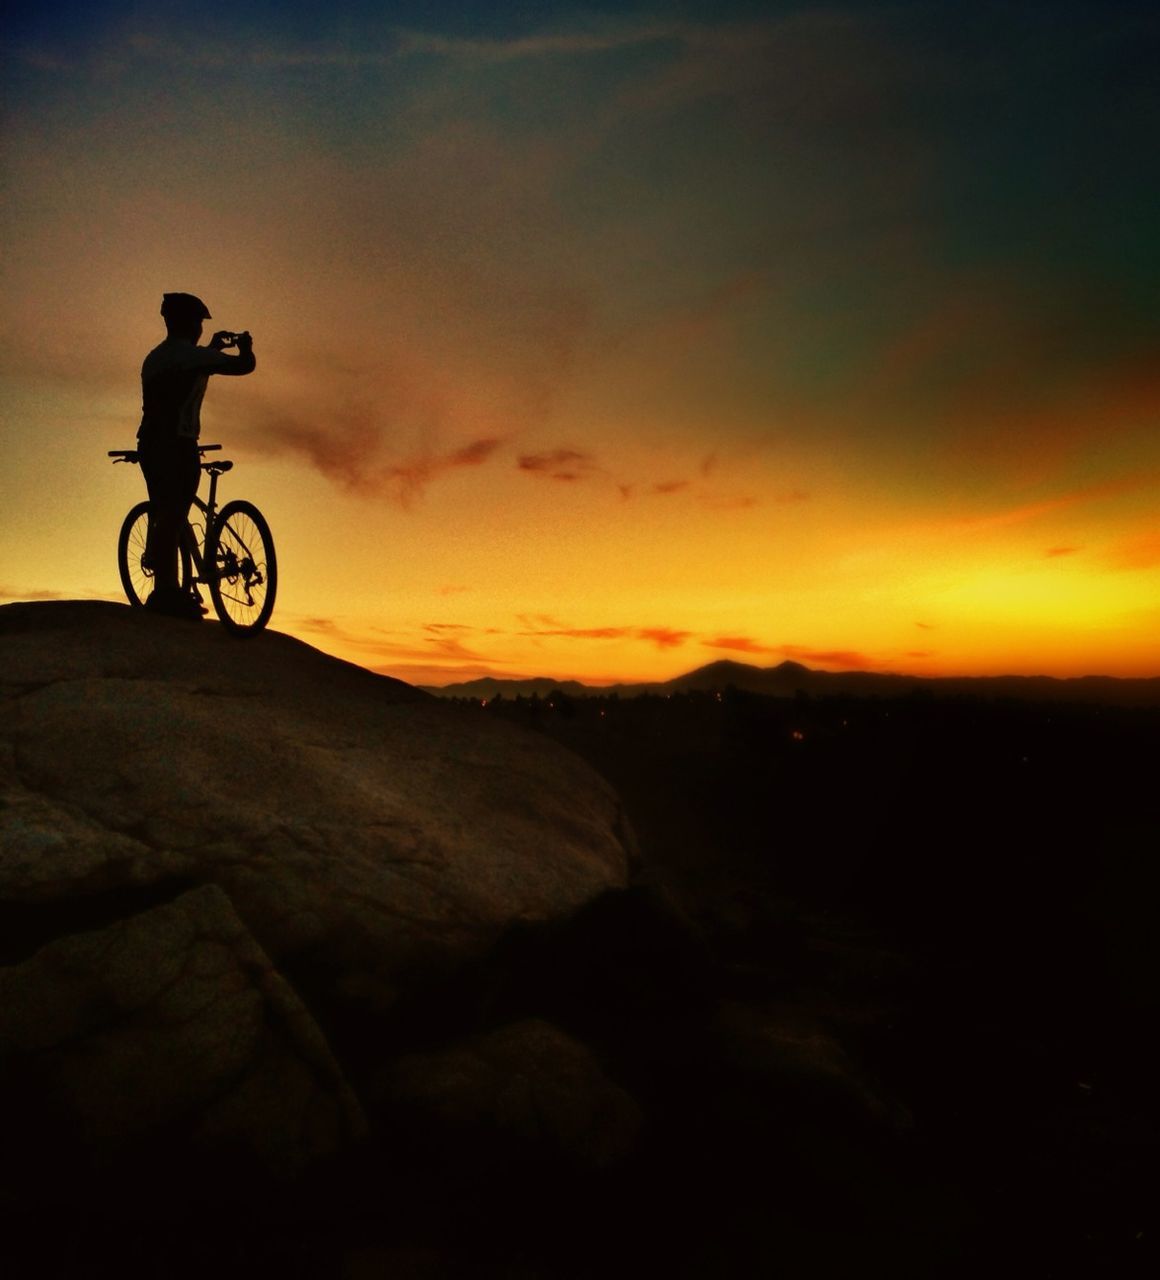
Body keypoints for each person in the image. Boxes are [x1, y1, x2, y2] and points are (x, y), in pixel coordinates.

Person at [138, 292, 255, 618]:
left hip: (149, 443)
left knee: (166, 515)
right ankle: (166, 595)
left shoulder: (155, 357)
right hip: (177, 444)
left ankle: (171, 590)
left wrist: (211, 349)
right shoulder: (189, 356)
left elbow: (189, 371)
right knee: (173, 516)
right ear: (191, 323)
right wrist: (245, 347)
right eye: (200, 322)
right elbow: (244, 366)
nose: (202, 328)